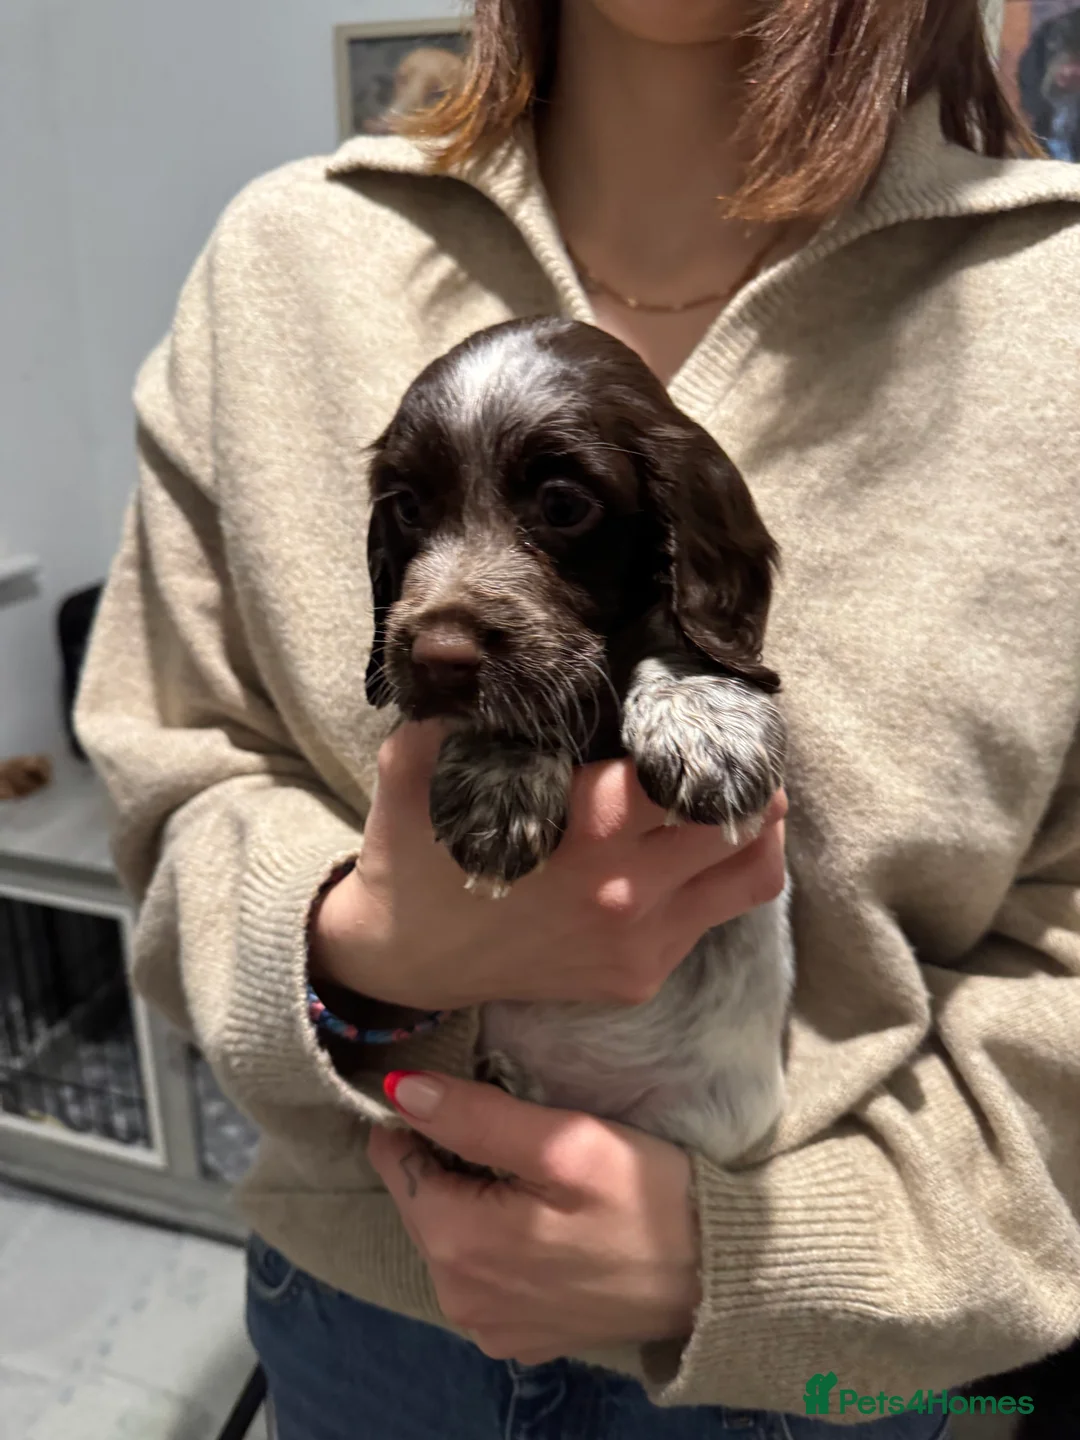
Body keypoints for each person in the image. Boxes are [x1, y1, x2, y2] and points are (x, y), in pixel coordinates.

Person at [75, 1, 1080, 1436]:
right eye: (412, 529)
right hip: (365, 1311)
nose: (440, 604)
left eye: (555, 510)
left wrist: (757, 1263)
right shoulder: (282, 260)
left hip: (837, 1369)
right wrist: (355, 952)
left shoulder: (1062, 311)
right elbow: (169, 789)